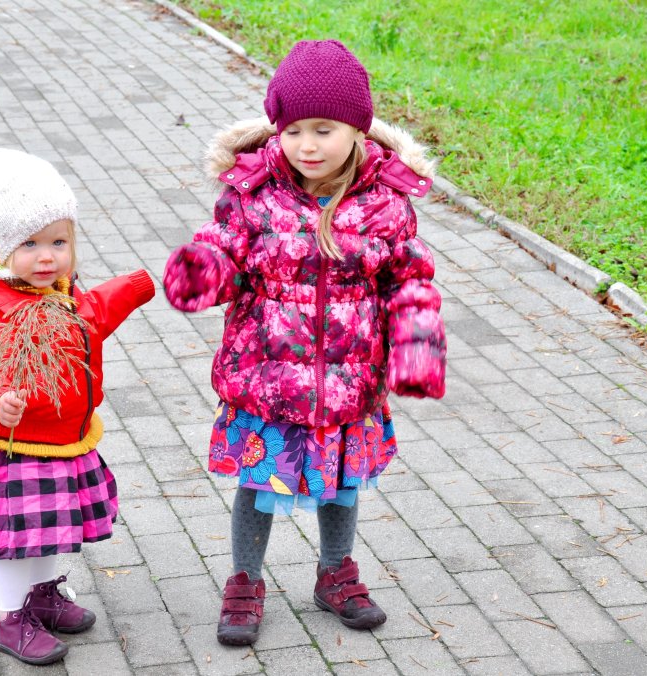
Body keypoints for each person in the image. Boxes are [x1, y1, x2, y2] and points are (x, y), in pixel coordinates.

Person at [163, 39, 446, 646]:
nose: (307, 145)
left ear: (357, 130)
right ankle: (244, 579)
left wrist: (416, 349)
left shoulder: (385, 201)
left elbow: (409, 274)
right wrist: (202, 269)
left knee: (341, 484)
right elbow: (223, 244)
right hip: (267, 379)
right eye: (293, 130)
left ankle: (335, 572)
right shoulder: (254, 193)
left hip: (349, 382)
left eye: (324, 129)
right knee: (257, 484)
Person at [0, 148, 155, 665]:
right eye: (29, 244)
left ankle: (44, 595)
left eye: (59, 242)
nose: (47, 256)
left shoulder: (61, 293)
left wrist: (137, 285)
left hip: (63, 440)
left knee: (52, 529)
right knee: (17, 536)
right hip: (14, 445)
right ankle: (11, 615)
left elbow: (93, 314)